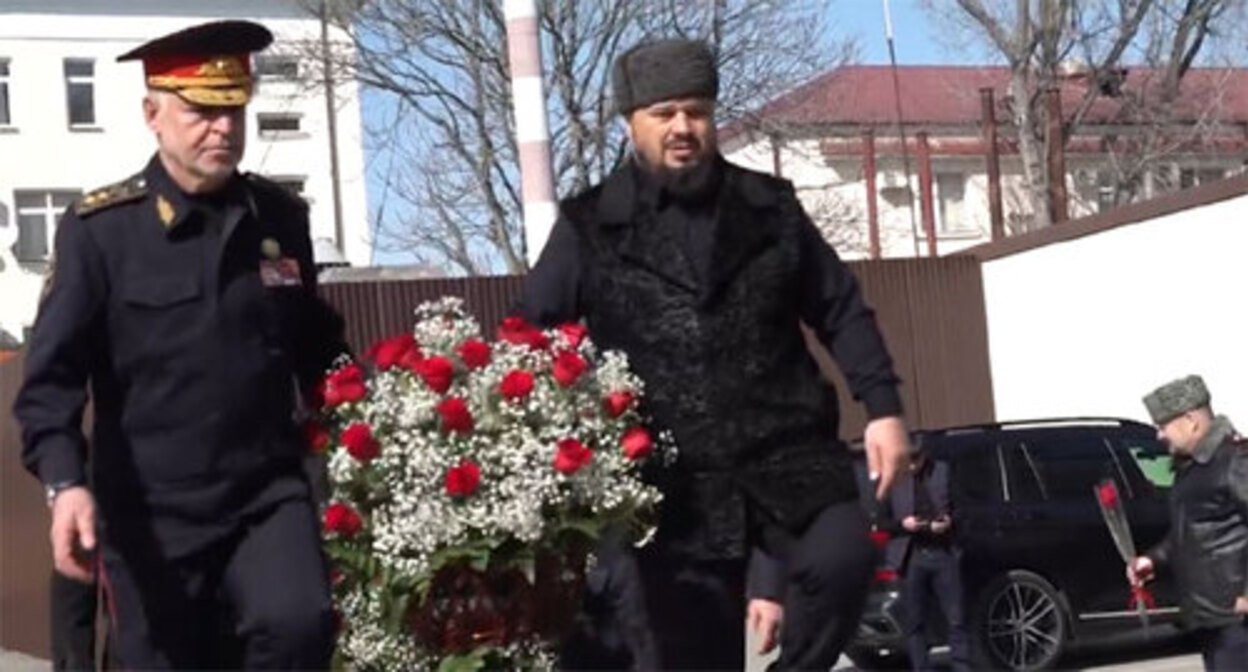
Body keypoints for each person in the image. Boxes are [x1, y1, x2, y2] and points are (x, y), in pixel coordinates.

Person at [519, 37, 910, 670]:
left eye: (696, 112)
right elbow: (527, 334)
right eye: (665, 113)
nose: (682, 128)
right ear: (631, 123)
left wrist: (885, 408)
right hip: (671, 489)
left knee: (843, 559)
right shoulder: (590, 227)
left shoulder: (771, 209)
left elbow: (840, 308)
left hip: (786, 454)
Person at [13, 20, 347, 669]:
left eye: (234, 109)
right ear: (153, 113)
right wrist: (64, 486)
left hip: (264, 498)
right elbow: (49, 386)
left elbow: (316, 344)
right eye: (202, 111)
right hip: (151, 515)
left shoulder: (279, 222)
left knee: (300, 625)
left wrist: (381, 410)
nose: (222, 128)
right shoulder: (103, 234)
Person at [1128, 375, 1248, 672]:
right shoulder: (1192, 468)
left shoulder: (1236, 461)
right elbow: (1189, 533)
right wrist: (1152, 559)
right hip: (1212, 615)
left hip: (1239, 619)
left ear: (1191, 420)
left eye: (1164, 425)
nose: (1159, 435)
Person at [884, 442, 969, 671]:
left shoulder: (943, 471)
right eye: (908, 460)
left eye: (916, 460)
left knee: (956, 617)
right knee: (914, 622)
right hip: (911, 556)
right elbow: (881, 522)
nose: (912, 465)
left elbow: (962, 508)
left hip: (943, 552)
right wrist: (903, 525)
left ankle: (962, 666)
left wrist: (950, 521)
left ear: (924, 456)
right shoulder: (894, 477)